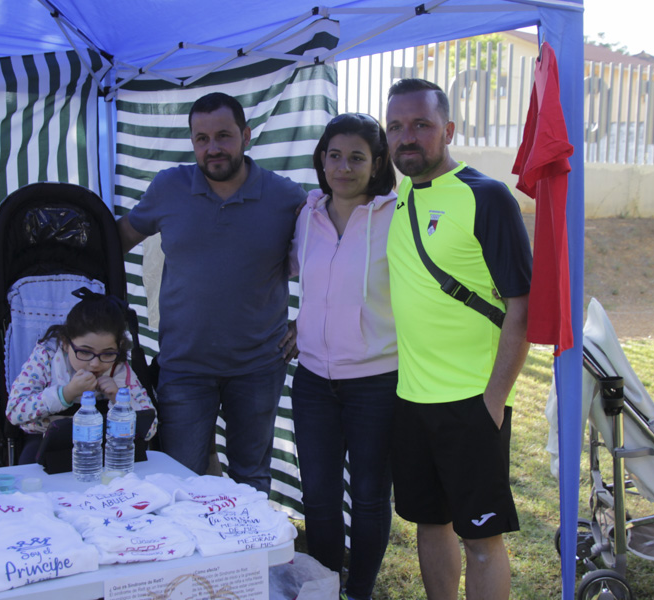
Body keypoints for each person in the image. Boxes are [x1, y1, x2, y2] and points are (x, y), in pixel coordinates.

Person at [384, 78, 532, 600]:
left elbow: (523, 305)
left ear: (447, 130)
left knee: (482, 538)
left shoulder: (485, 196)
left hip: (472, 401)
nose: (408, 137)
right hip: (411, 401)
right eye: (397, 126)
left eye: (421, 125)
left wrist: (492, 402)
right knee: (430, 523)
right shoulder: (402, 194)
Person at [116, 92, 305, 493]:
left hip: (258, 365)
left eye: (223, 135)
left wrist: (304, 323)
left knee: (251, 479)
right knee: (178, 479)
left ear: (246, 135)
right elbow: (116, 240)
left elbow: (333, 262)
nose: (213, 148)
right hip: (184, 366)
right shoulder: (169, 188)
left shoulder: (285, 197)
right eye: (201, 139)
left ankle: (250, 556)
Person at [287, 113, 397, 600]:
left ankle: (360, 592)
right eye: (334, 155)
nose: (343, 167)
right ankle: (326, 589)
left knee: (370, 498)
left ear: (376, 165)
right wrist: (300, 323)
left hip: (376, 381)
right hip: (312, 380)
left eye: (357, 158)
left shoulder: (395, 215)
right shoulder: (307, 214)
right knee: (319, 498)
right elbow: (302, 279)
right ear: (321, 159)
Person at [6, 290, 156, 464]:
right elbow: (15, 410)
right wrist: (66, 393)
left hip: (103, 444)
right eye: (85, 352)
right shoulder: (46, 358)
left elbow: (150, 428)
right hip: (46, 442)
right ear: (65, 342)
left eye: (107, 354)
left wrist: (119, 398)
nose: (95, 364)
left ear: (119, 347)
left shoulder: (119, 368)